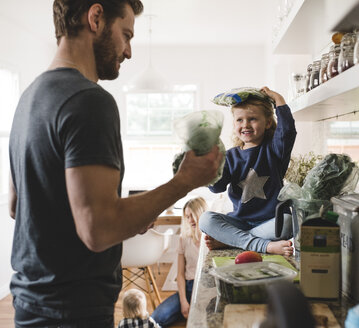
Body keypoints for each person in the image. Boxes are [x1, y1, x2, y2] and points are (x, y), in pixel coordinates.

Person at [8, 1, 222, 327]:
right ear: (95, 18)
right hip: (74, 311)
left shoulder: (28, 98)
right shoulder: (89, 100)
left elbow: (19, 205)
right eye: (126, 34)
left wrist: (127, 215)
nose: (129, 51)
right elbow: (97, 230)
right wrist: (184, 181)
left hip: (30, 306)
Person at [199, 87, 296, 256]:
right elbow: (217, 187)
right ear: (234, 124)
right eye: (239, 120)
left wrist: (278, 99)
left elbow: (287, 131)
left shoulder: (275, 150)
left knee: (288, 222)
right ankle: (264, 246)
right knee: (205, 219)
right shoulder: (230, 156)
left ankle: (231, 241)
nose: (245, 125)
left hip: (269, 222)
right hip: (240, 221)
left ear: (267, 123)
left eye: (252, 119)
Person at [151, 197, 207, 326]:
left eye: (192, 216)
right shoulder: (184, 239)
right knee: (156, 318)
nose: (190, 220)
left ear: (201, 214)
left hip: (205, 289)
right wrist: (183, 301)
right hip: (187, 288)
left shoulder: (212, 241)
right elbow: (180, 275)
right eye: (187, 217)